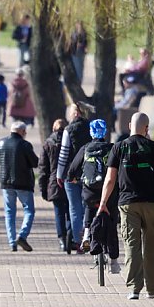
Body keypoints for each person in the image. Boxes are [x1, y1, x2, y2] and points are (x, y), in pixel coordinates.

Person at [98, 112, 154, 300]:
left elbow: (110, 179)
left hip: (127, 203)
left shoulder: (119, 147)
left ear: (129, 126)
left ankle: (134, 288)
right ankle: (152, 289)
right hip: (151, 202)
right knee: (152, 246)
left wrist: (103, 203)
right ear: (147, 128)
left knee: (131, 245)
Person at [68, 119, 121, 274]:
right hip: (109, 191)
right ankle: (114, 262)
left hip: (90, 191)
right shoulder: (113, 148)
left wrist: (73, 178)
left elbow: (73, 169)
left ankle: (86, 235)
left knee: (89, 208)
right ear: (105, 132)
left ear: (91, 133)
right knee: (112, 221)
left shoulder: (85, 148)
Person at [0, 121, 38, 252]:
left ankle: (12, 242)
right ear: (22, 131)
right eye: (25, 132)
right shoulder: (25, 145)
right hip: (23, 183)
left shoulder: (1, 143)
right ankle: (22, 236)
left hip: (6, 183)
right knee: (29, 210)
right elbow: (35, 162)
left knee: (9, 212)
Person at [55, 103, 91, 252]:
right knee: (87, 207)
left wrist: (59, 174)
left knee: (74, 209)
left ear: (75, 113)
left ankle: (77, 241)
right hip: (88, 173)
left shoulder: (68, 130)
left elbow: (64, 153)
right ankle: (87, 238)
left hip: (71, 174)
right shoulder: (90, 127)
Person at [39, 118, 71, 252]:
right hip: (69, 180)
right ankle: (71, 237)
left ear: (53, 128)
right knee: (70, 210)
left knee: (59, 213)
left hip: (53, 183)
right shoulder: (70, 141)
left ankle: (62, 240)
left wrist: (43, 188)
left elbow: (43, 168)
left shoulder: (48, 143)